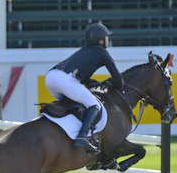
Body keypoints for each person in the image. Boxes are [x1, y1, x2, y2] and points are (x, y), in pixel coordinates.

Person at [45, 23, 124, 153]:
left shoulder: (84, 50)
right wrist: (115, 85)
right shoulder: (102, 52)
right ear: (100, 40)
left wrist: (95, 83)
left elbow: (84, 78)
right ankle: (82, 136)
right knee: (94, 105)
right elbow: (118, 80)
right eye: (106, 37)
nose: (107, 40)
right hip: (65, 80)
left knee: (73, 103)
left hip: (50, 77)